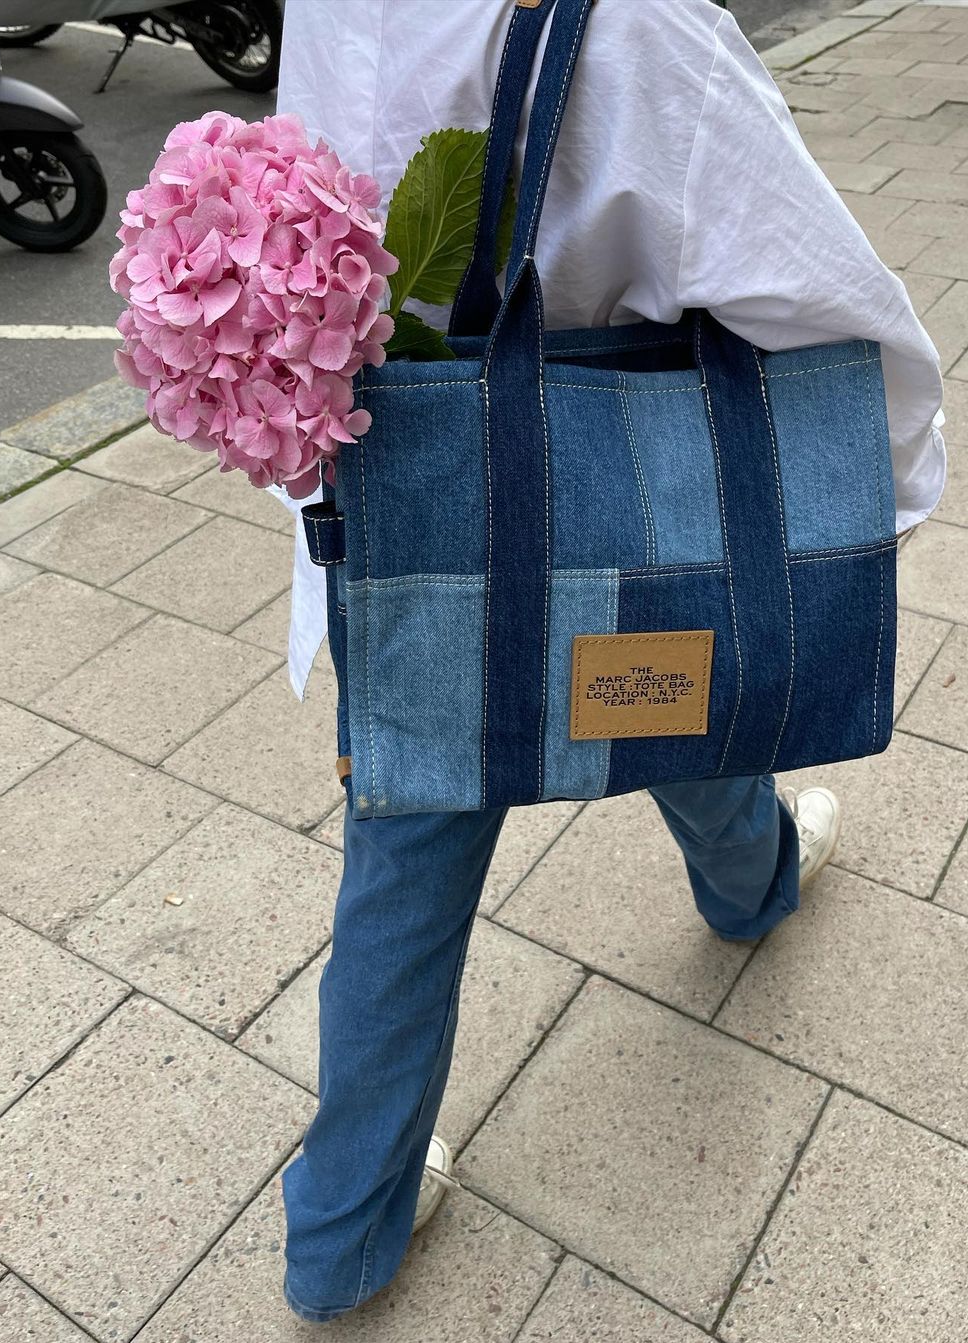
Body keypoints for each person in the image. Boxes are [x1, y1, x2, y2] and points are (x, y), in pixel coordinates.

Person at [273, 0, 946, 1323]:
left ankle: (343, 1233)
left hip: (421, 536)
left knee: (404, 867)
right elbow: (817, 291)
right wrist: (895, 487)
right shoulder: (639, 19)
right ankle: (752, 888)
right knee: (675, 700)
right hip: (627, 517)